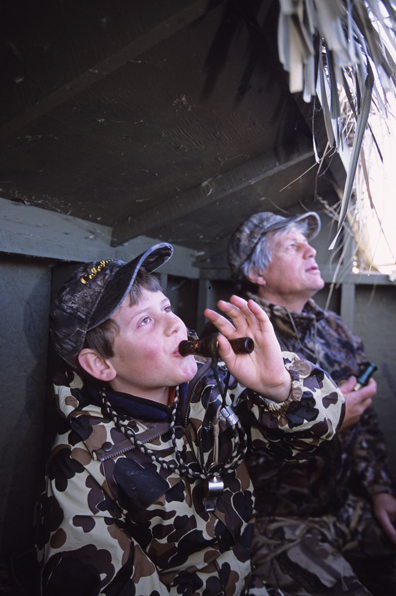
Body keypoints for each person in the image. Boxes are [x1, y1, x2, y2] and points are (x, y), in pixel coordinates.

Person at [35, 242, 345, 596]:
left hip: (247, 580)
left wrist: (278, 386)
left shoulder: (213, 385)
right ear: (100, 364)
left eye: (166, 306)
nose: (175, 324)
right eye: (146, 320)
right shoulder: (80, 464)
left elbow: (316, 434)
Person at [227, 211, 396, 596]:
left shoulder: (335, 329)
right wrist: (330, 422)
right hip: (277, 523)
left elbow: (366, 421)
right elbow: (231, 449)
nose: (310, 249)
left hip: (345, 507)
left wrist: (380, 491)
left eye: (306, 242)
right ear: (258, 274)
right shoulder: (238, 340)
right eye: (292, 245)